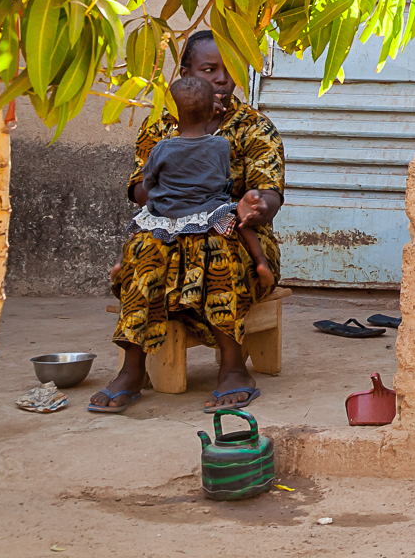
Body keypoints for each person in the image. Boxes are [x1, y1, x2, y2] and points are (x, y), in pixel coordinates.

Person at [89, 31, 287, 415]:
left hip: (234, 236)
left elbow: (270, 193)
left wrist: (256, 203)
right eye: (209, 69)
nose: (221, 80)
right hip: (167, 231)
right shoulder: (160, 129)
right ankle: (132, 370)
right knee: (144, 248)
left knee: (217, 245)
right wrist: (184, 187)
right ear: (185, 74)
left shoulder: (255, 127)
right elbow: (139, 190)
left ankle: (233, 368)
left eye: (229, 71)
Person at [130, 74, 274, 294]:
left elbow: (147, 181)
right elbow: (225, 176)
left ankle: (121, 264)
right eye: (209, 69)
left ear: (174, 115)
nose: (222, 78)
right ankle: (261, 262)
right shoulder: (221, 145)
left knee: (138, 231)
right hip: (211, 211)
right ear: (211, 111)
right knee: (241, 227)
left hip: (168, 213)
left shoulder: (162, 147)